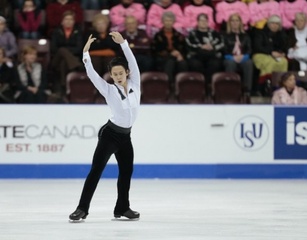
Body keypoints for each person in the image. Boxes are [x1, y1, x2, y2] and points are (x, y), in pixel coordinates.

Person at [69, 31, 140, 221]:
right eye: (114, 73)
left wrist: (124, 43)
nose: (117, 76)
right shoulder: (108, 89)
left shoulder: (136, 84)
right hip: (110, 135)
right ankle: (82, 208)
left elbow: (132, 61)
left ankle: (122, 208)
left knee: (126, 172)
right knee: (96, 170)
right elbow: (91, 74)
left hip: (126, 137)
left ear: (127, 73)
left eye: (120, 73)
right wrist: (86, 54)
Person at [185, 13, 223, 92]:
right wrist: (201, 47)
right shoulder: (192, 33)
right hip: (197, 56)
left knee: (215, 63)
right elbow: (189, 45)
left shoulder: (214, 33)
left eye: (205, 20)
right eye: (201, 20)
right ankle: (199, 86)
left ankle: (208, 86)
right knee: (196, 64)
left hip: (212, 55)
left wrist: (212, 46)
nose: (203, 22)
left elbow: (221, 44)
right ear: (197, 22)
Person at [151, 11, 188, 90]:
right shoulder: (158, 35)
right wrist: (171, 54)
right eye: (166, 20)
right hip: (162, 58)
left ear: (173, 22)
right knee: (170, 62)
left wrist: (179, 54)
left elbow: (183, 49)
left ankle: (182, 87)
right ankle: (168, 87)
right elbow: (155, 50)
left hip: (177, 58)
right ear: (163, 22)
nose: (168, 22)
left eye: (170, 20)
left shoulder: (178, 35)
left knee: (182, 63)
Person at [50, 10, 83, 96]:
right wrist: (65, 51)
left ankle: (63, 88)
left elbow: (79, 49)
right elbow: (53, 49)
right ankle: (76, 65)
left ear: (74, 21)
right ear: (62, 21)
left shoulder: (78, 32)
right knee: (61, 50)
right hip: (56, 60)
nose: (68, 21)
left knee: (63, 62)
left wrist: (66, 52)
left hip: (69, 60)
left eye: (71, 19)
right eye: (66, 19)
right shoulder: (56, 32)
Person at [252, 15, 288, 89]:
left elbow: (284, 47)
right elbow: (258, 47)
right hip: (260, 54)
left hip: (276, 56)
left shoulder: (282, 35)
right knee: (269, 62)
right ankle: (265, 85)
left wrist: (283, 53)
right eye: (272, 23)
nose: (274, 25)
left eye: (277, 24)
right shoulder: (260, 33)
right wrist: (271, 52)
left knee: (284, 62)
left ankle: (281, 84)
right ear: (268, 24)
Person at [223, 13, 254, 94]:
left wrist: (244, 56)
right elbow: (223, 49)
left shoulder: (245, 35)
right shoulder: (224, 35)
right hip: (229, 58)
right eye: (232, 21)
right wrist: (232, 57)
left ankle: (247, 90)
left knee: (249, 63)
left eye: (237, 20)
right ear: (229, 23)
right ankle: (230, 89)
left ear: (240, 22)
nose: (235, 22)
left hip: (243, 57)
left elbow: (249, 49)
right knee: (230, 63)